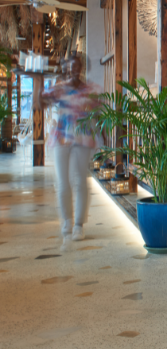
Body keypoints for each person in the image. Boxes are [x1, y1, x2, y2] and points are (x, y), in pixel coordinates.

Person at [32, 54, 100, 244]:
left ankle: (79, 225)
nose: (74, 69)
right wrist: (37, 81)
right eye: (71, 66)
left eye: (77, 66)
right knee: (62, 182)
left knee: (81, 181)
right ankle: (67, 221)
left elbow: (100, 113)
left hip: (83, 138)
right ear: (66, 68)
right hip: (61, 137)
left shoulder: (91, 90)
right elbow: (39, 104)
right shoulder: (59, 88)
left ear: (82, 67)